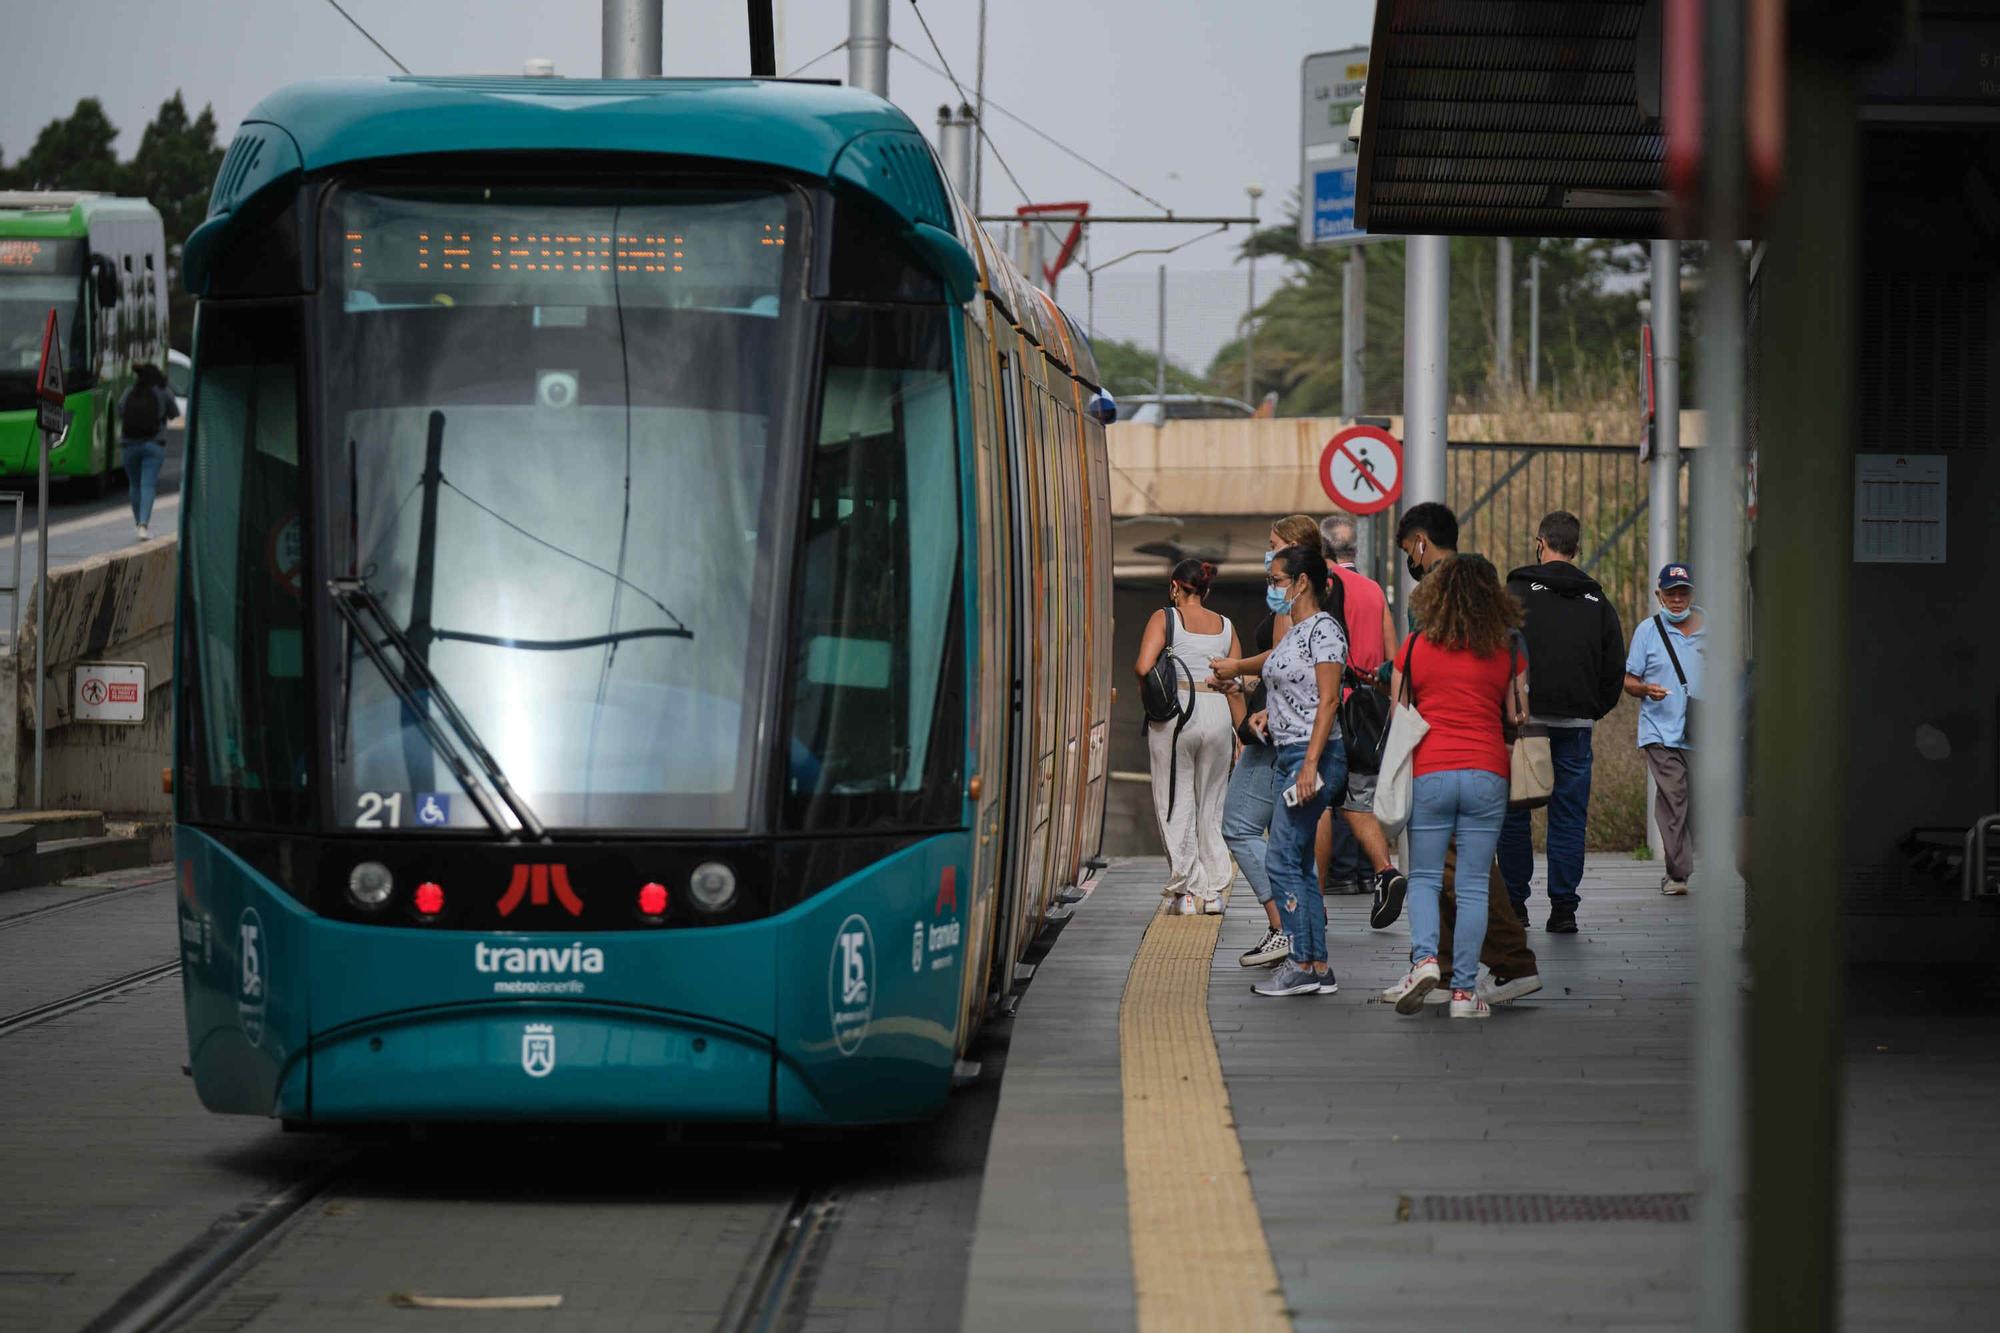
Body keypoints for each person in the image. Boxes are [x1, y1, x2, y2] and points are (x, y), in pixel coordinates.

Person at [1387, 503, 1543, 1005]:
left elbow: (1401, 711)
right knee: (1474, 882)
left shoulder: (1415, 646)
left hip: (1432, 768)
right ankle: (1462, 993)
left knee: (1427, 877)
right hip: (1488, 771)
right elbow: (1517, 708)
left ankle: (1426, 960)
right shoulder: (1505, 645)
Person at [1498, 511, 1627, 933]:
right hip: (1576, 726)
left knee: (1516, 814)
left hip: (1523, 724)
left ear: (1540, 543)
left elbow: (1497, 652)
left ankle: (1516, 904)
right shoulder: (1598, 602)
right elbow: (1614, 669)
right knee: (1569, 816)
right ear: (1577, 548)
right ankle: (1564, 910)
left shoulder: (1516, 592)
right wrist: (1591, 709)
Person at [1246, 544, 1347, 996]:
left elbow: (1328, 699)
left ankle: (1301, 962)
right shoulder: (1296, 629)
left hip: (1314, 756)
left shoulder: (1324, 630)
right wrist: (1270, 713)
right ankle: (1317, 964)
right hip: (1293, 751)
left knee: (1280, 858)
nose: (1274, 588)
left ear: (1301, 581)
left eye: (1277, 580)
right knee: (1299, 862)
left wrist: (1309, 766)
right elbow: (1295, 687)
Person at [1221, 515, 1322, 965]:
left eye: (1273, 546)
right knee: (1291, 845)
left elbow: (1281, 661)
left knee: (1240, 827)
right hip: (1289, 729)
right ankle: (1304, 938)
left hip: (1275, 732)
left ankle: (1285, 926)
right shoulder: (1328, 595)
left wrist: (1237, 669)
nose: (1268, 554)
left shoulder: (1293, 605)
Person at [1134, 558, 1240, 915]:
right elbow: (1238, 681)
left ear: (1176, 587)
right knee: (1212, 804)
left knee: (1176, 801)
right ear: (1206, 590)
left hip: (1178, 716)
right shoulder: (1226, 626)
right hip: (1219, 715)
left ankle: (1188, 893)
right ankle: (1213, 893)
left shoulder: (1165, 618)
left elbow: (1143, 667)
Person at [1625, 562, 1704, 896]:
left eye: (1682, 593)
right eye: (1670, 593)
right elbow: (1629, 680)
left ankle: (1685, 859)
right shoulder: (1647, 630)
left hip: (1702, 733)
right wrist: (1646, 690)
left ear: (1692, 594)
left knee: (1698, 801)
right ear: (1659, 594)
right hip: (1660, 732)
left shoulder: (1712, 628)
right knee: (1675, 797)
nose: (1676, 599)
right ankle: (1679, 874)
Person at [116, 363, 178, 540]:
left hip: (129, 445)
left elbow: (120, 410)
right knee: (148, 485)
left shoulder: (129, 391)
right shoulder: (162, 392)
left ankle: (138, 524)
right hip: (154, 445)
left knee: (134, 485)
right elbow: (174, 412)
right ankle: (144, 524)